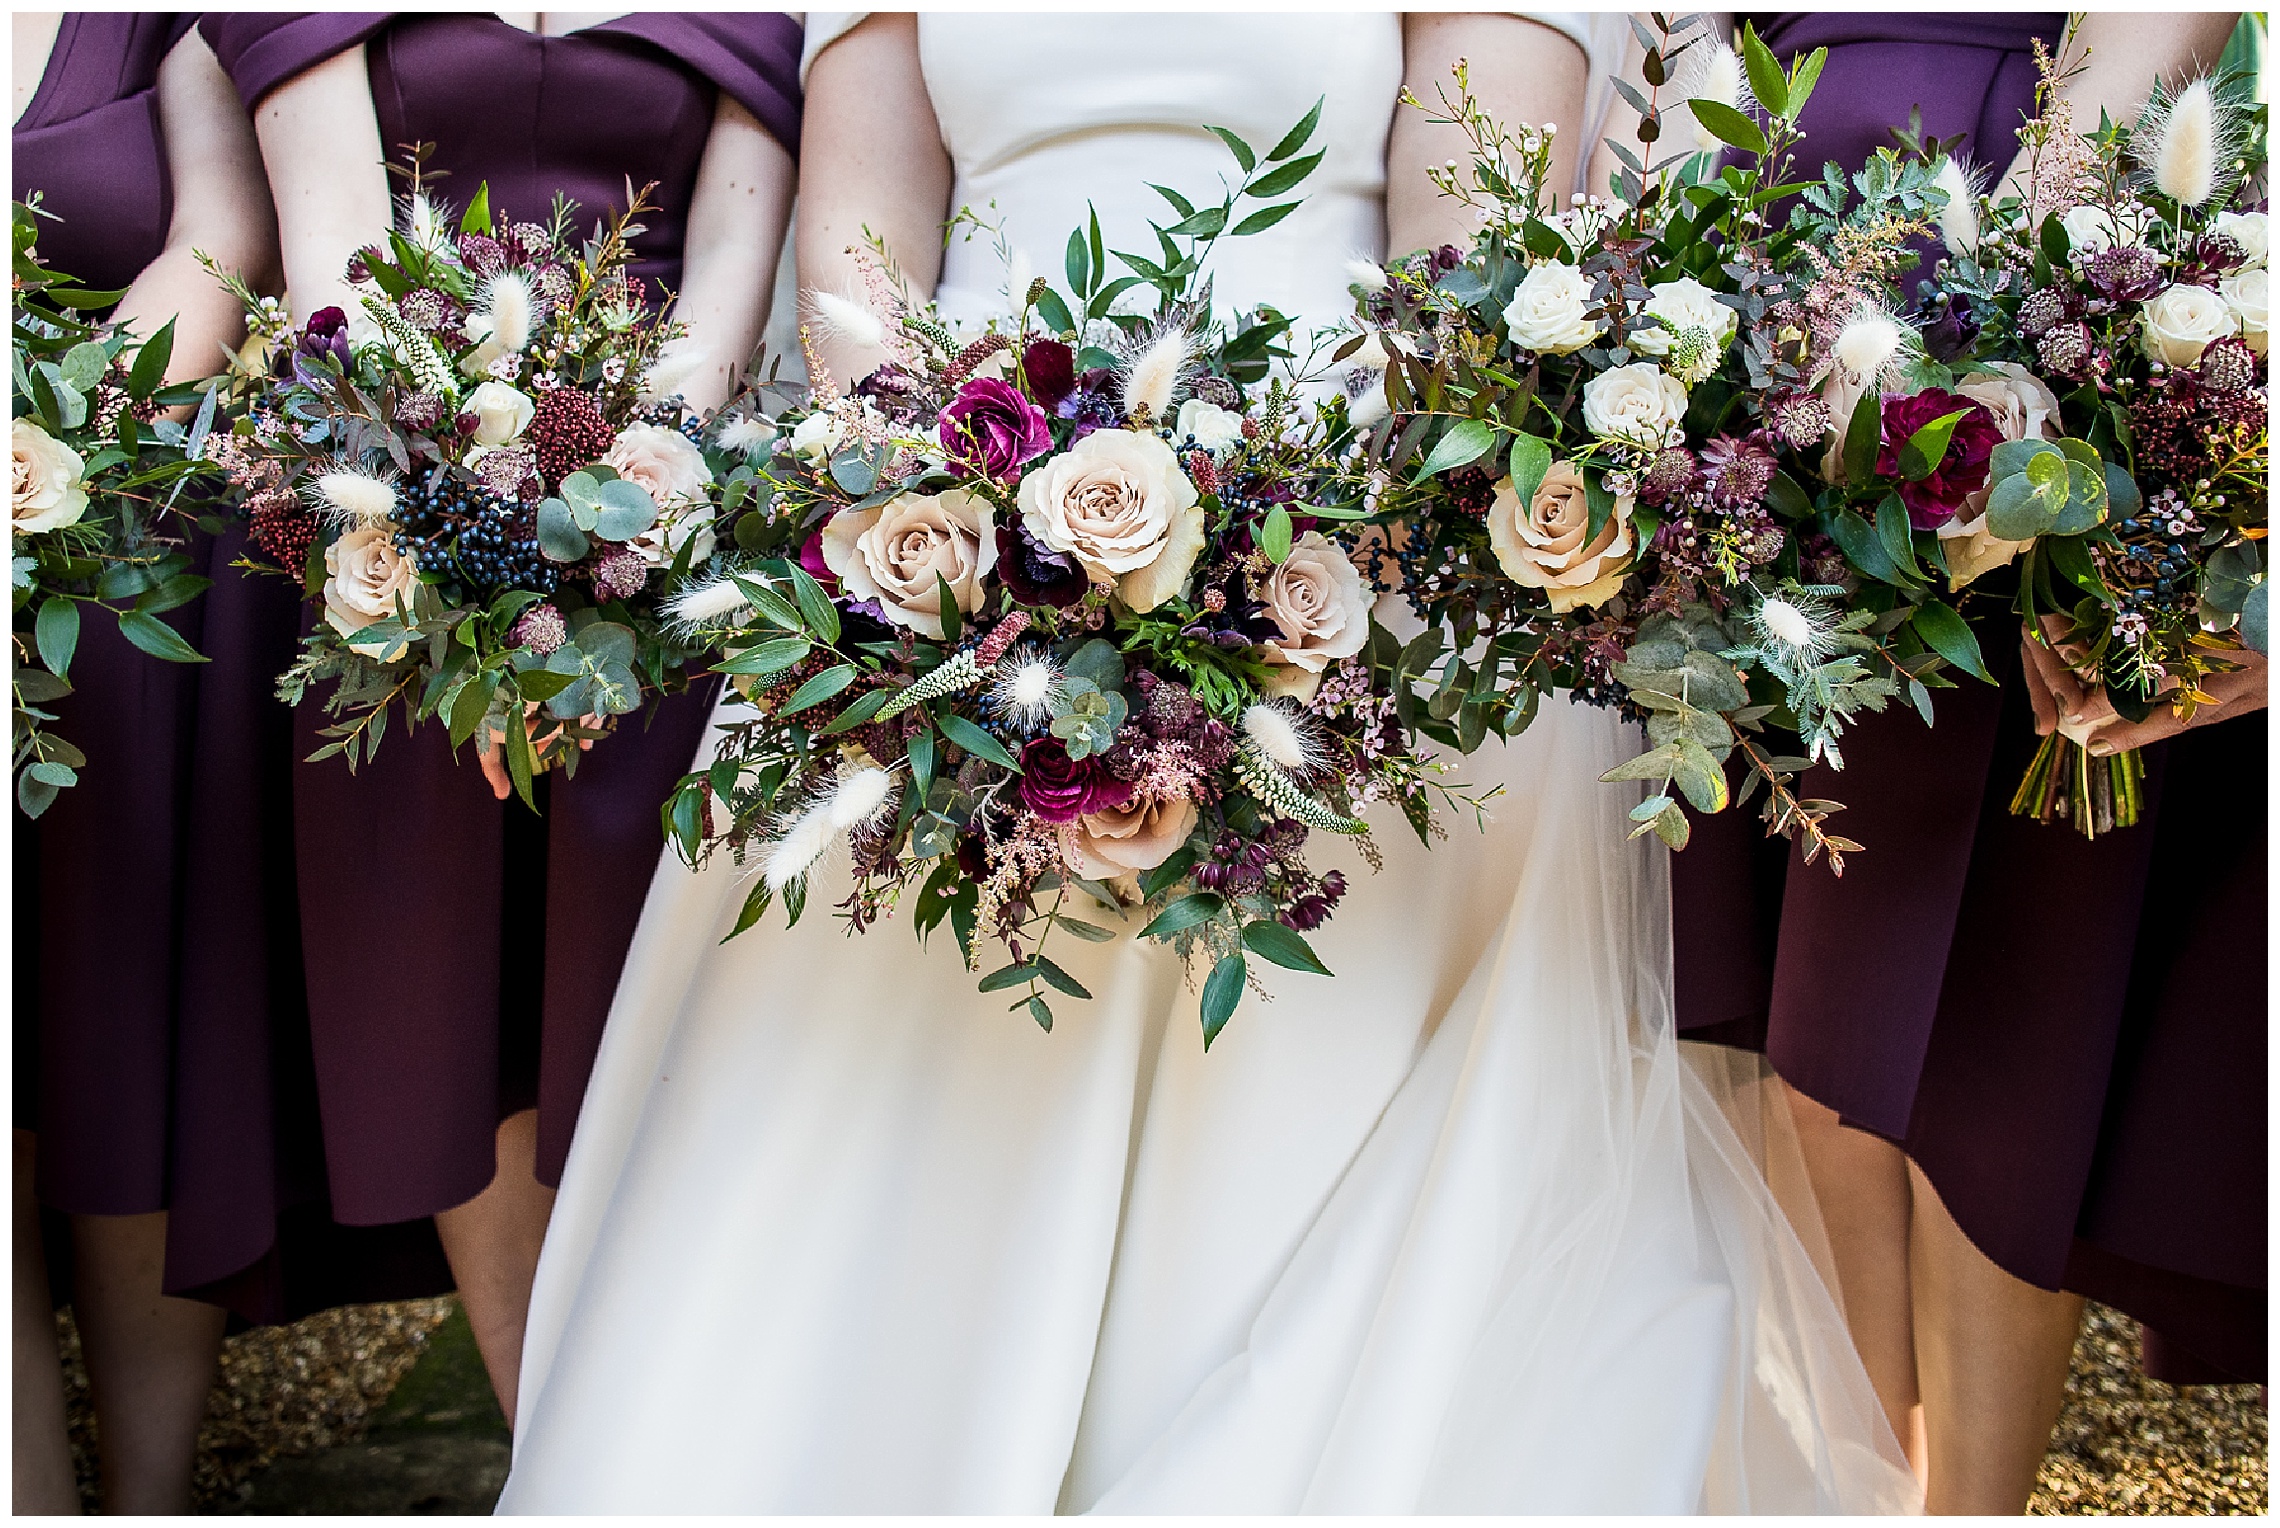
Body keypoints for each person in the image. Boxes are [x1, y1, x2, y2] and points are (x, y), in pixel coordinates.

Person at [496, 14, 1916, 1512]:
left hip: (1341, 547)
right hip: (948, 530)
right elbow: (862, 256)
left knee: (1288, 1119)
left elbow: (1466, 246)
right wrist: (939, 550)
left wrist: (1260, 574)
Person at [1595, 11, 2258, 1514]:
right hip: (1767, 334)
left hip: (2018, 278)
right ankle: (1855, 1487)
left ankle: (1967, 1503)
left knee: (2007, 1025)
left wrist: (2012, 343)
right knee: (1807, 1014)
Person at [200, 9, 802, 1425]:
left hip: (670, 543)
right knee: (449, 1017)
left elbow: (727, 261)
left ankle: (668, 1437)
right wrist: (455, 513)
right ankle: (546, 1442)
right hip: (400, 530)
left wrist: (627, 518)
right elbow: (341, 247)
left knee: (639, 1007)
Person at [12, 12, 282, 1512]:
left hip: (108, 566)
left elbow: (220, 240)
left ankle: (148, 1497)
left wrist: (39, 465)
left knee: (118, 1051)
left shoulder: (149, 23)